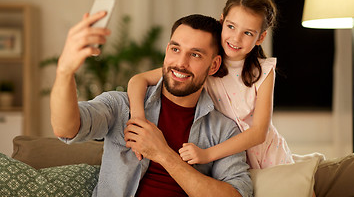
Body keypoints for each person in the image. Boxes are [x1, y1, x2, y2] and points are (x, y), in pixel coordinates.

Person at [50, 12, 253, 196]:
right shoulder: (122, 106)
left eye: (195, 54)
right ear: (167, 50)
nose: (180, 63)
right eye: (175, 49)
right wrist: (64, 72)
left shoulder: (224, 131)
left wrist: (162, 153)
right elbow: (66, 129)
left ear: (214, 65)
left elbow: (235, 194)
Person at [128, 0, 294, 169]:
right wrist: (139, 121)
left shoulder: (263, 71)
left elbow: (259, 132)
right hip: (234, 161)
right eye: (231, 26)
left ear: (260, 37)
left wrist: (207, 154)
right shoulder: (205, 64)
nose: (236, 38)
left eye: (248, 33)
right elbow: (138, 80)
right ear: (222, 21)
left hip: (269, 155)